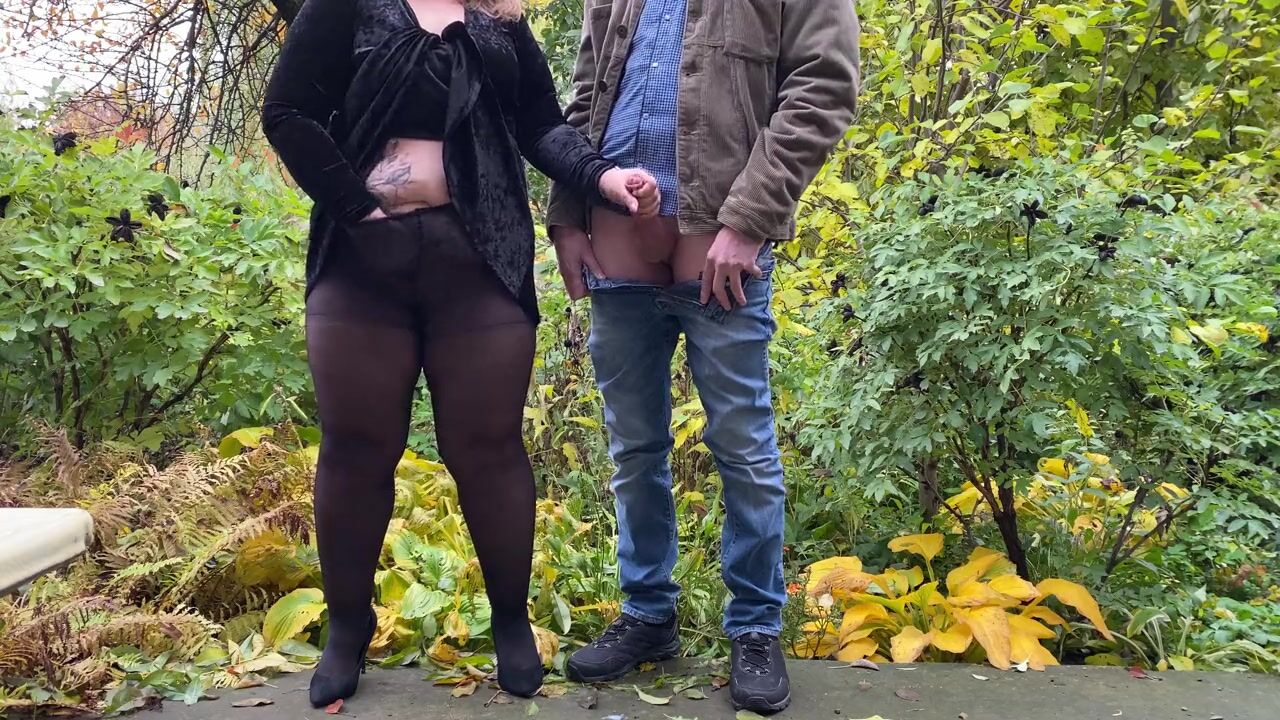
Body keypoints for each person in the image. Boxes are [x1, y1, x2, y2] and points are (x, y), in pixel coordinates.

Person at [261, 0, 659, 708]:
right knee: (356, 449)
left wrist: (600, 177)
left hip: (481, 260)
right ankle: (347, 630)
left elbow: (541, 125)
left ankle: (510, 624)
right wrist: (358, 210)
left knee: (489, 448)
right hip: (360, 260)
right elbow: (288, 112)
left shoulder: (499, 18)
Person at [547, 0, 860, 714]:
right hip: (615, 243)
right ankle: (647, 615)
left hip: (723, 248)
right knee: (633, 448)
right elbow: (586, 94)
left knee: (743, 447)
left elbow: (824, 85)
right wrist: (566, 211)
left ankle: (754, 628)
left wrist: (750, 220)